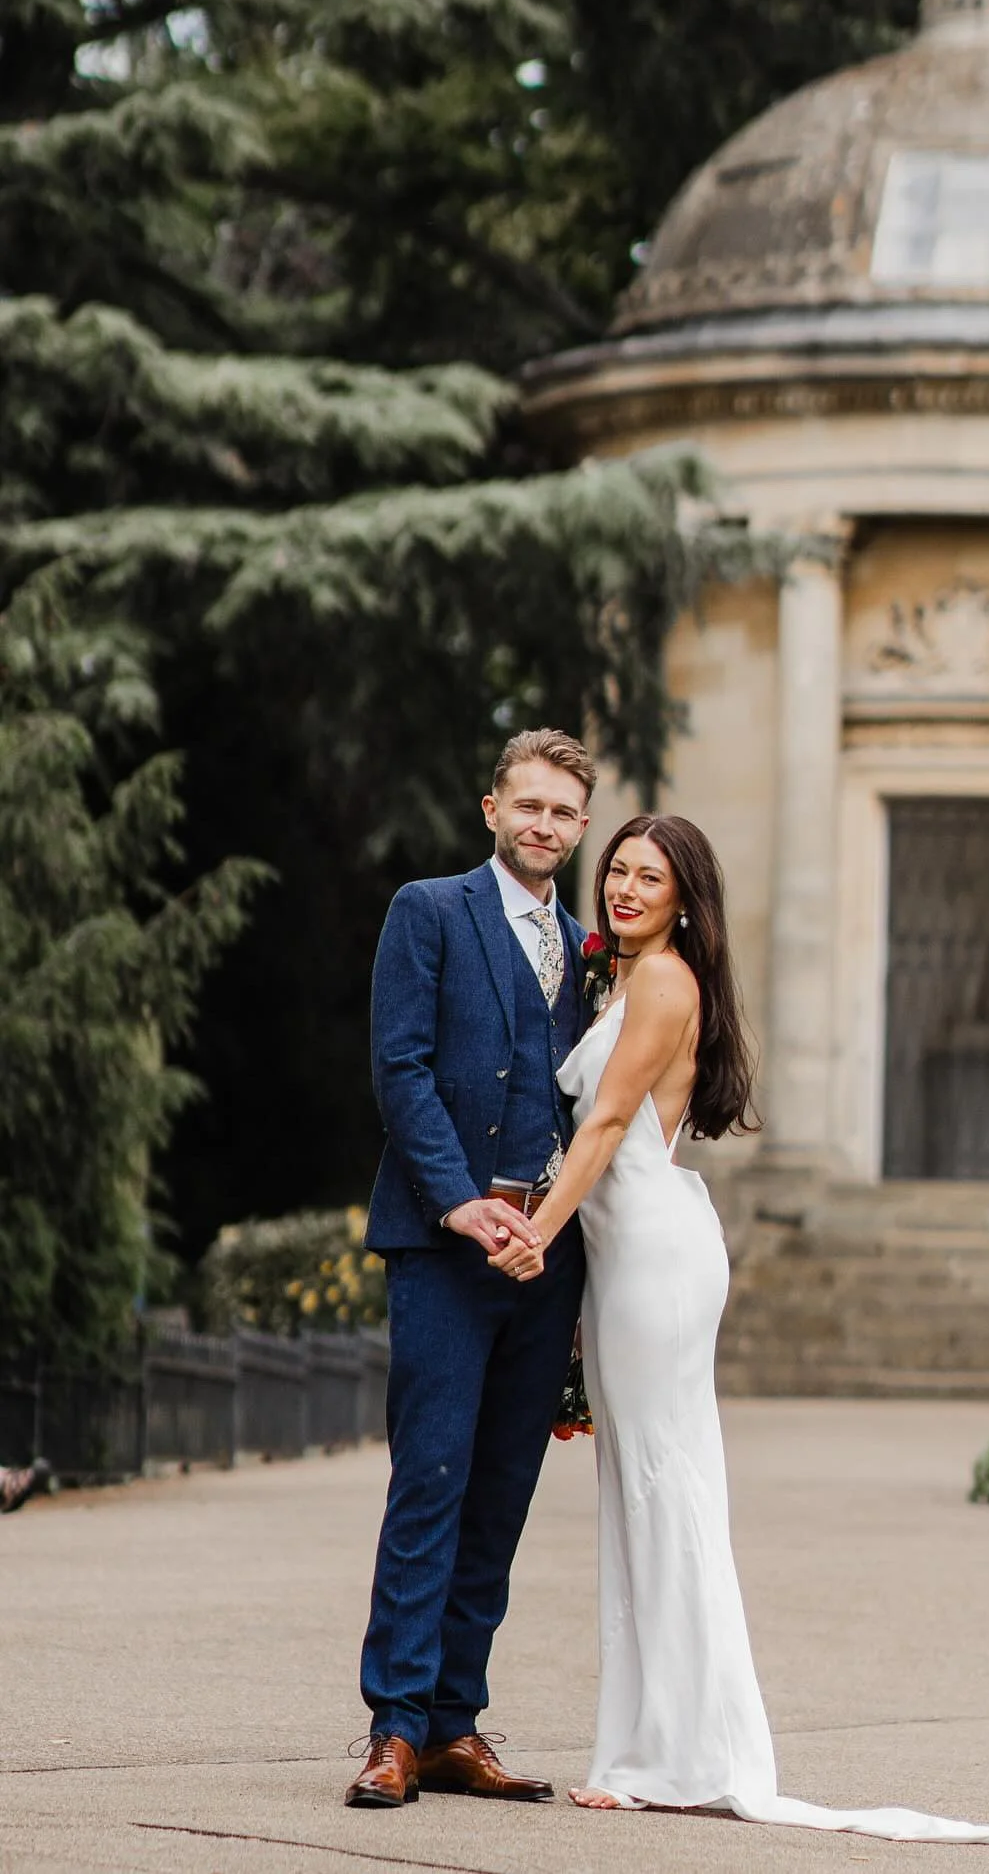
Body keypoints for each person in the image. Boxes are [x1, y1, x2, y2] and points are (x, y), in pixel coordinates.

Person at [491, 813, 989, 1849]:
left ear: (686, 895)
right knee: (644, 1491)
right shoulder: (631, 976)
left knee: (663, 1489)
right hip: (633, 1252)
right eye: (620, 872)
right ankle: (652, 1747)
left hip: (649, 1252)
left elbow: (604, 1124)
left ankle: (682, 1757)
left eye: (650, 877)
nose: (626, 888)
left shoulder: (663, 982)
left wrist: (537, 1237)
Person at [344, 727, 596, 1811]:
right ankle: (394, 1727)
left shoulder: (590, 949)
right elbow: (398, 1065)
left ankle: (456, 1721)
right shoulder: (429, 910)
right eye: (527, 804)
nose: (544, 824)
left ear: (582, 826)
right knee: (432, 1481)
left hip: (549, 1259)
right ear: (491, 807)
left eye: (563, 811)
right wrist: (458, 1199)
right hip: (448, 1246)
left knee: (501, 1492)